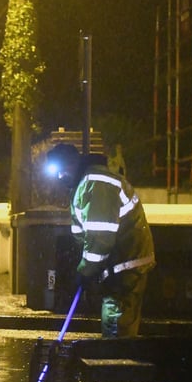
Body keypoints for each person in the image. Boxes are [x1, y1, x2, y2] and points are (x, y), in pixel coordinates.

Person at [46, 143, 155, 338]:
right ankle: (116, 360)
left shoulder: (95, 184)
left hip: (124, 267)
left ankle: (115, 363)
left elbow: (100, 238)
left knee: (116, 324)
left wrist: (85, 271)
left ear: (72, 163)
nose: (60, 178)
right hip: (121, 264)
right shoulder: (89, 182)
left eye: (61, 171)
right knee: (118, 322)